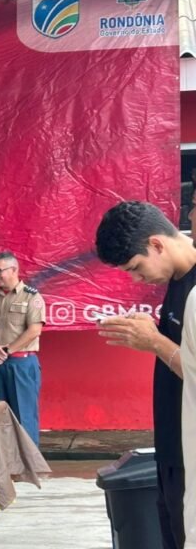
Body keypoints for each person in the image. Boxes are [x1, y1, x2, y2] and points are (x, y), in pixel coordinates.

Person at [96, 200, 193, 549]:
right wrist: (153, 334)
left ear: (156, 243)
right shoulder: (178, 280)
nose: (137, 279)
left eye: (136, 268)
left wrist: (155, 342)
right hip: (170, 449)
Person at [0, 251, 45, 446]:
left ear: (14, 270)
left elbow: (34, 330)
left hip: (22, 364)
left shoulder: (31, 297)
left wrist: (8, 350)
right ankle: (4, 459)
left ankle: (27, 461)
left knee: (24, 416)